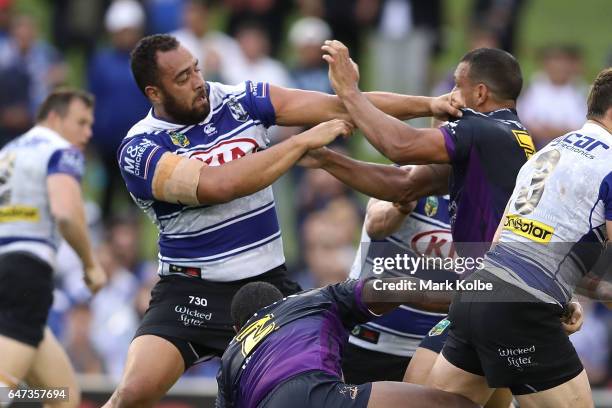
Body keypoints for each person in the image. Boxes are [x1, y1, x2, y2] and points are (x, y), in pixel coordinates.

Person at [105, 33, 460, 407]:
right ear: (154, 93)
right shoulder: (139, 149)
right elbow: (217, 185)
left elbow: (342, 106)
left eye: (195, 69)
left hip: (267, 290)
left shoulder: (239, 99)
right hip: (191, 293)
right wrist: (300, 143)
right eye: (181, 79)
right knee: (132, 394)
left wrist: (429, 102)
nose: (197, 82)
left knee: (315, 395)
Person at [426, 67, 612, 407]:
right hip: (520, 310)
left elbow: (504, 238)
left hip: (478, 296)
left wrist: (558, 297)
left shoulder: (551, 150)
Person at [216, 278, 478, 408]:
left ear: (237, 328)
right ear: (285, 299)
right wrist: (473, 295)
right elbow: (395, 288)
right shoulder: (309, 300)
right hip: (313, 391)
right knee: (453, 404)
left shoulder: (230, 354)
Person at [0, 89, 106, 406]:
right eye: (82, 122)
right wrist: (91, 264)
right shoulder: (62, 151)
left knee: (63, 396)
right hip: (26, 275)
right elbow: (66, 214)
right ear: (56, 118)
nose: (87, 133)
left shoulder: (7, 152)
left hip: (6, 273)